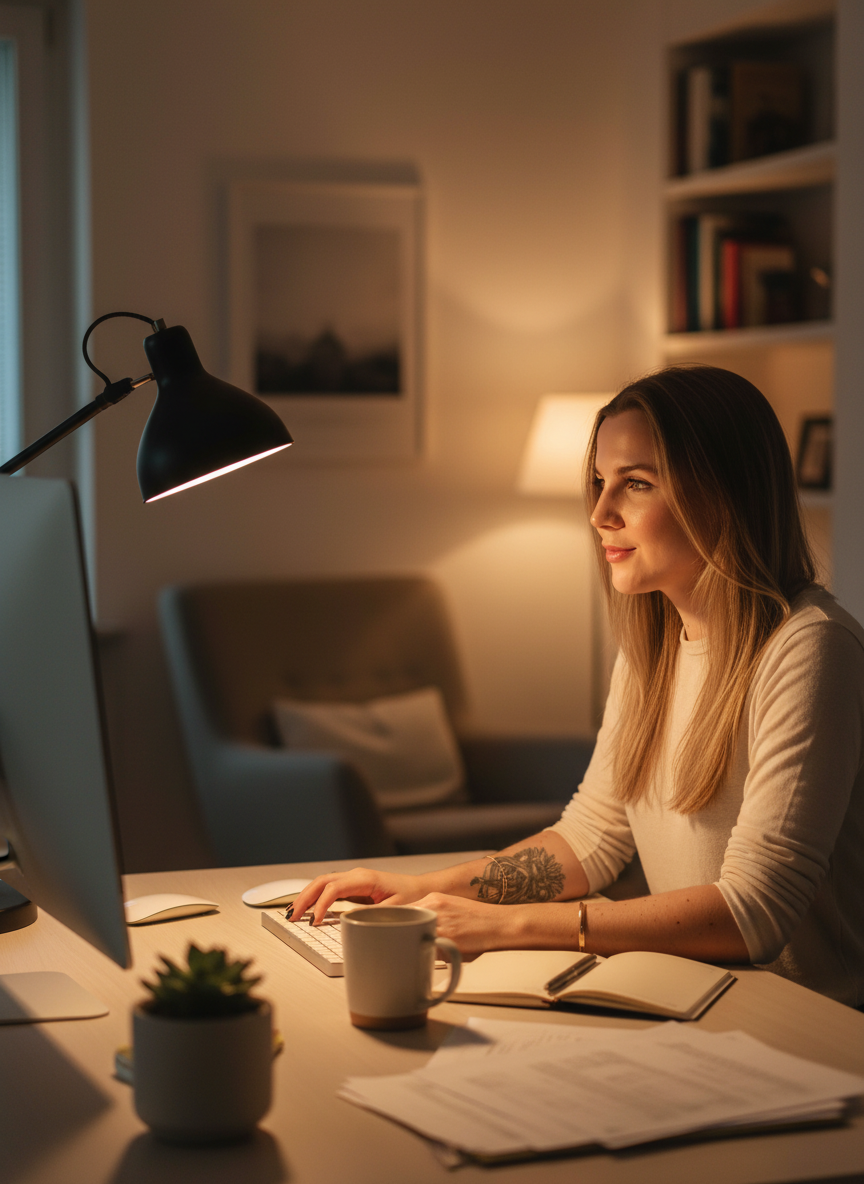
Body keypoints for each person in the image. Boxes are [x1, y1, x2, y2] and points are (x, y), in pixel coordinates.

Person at [290, 365, 864, 1007]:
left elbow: (752, 913)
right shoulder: (651, 650)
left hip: (810, 1022)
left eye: (636, 483)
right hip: (704, 1001)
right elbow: (590, 839)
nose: (599, 513)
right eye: (599, 482)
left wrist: (507, 928)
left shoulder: (810, 647)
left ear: (723, 493)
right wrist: (426, 891)